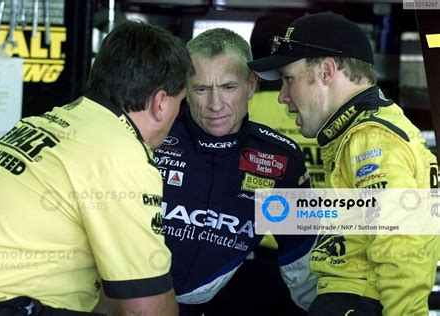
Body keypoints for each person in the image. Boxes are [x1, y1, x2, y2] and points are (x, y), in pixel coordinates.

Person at [0, 20, 194, 315]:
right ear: (161, 103)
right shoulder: (122, 156)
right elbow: (147, 309)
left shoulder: (47, 122)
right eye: (181, 103)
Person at [248, 11, 440, 315]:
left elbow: (401, 247)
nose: (282, 96)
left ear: (326, 71)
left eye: (288, 80)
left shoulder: (371, 139)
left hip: (357, 301)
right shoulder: (364, 131)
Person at [154, 28, 316, 315]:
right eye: (202, 88)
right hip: (122, 299)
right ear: (184, 88)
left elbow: (300, 256)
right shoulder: (152, 134)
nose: (215, 105)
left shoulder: (280, 159)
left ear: (251, 85)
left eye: (229, 87)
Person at [248, 12, 324, 189]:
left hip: (267, 212)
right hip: (328, 212)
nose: (284, 98)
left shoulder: (238, 110)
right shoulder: (327, 107)